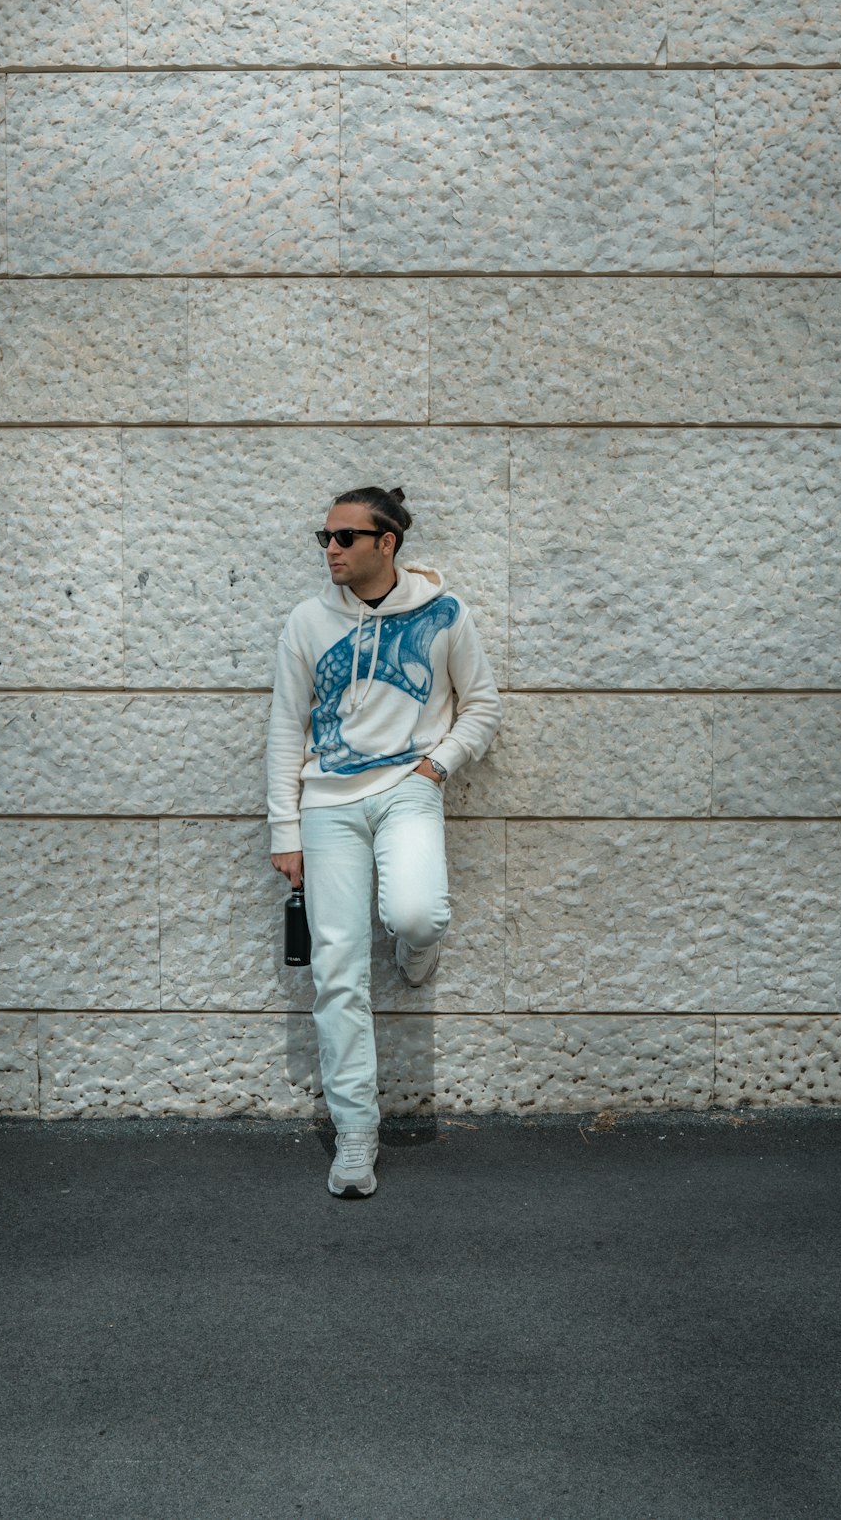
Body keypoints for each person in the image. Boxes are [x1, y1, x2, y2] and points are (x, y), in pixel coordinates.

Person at [266, 485, 502, 1199]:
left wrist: (436, 766)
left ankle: (416, 949)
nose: (330, 550)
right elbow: (284, 727)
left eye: (345, 538)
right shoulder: (308, 622)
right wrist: (286, 826)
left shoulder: (444, 614)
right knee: (337, 969)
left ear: (386, 542)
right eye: (324, 538)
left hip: (408, 787)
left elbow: (483, 705)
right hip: (327, 803)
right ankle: (356, 1133)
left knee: (417, 914)